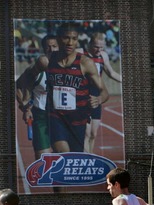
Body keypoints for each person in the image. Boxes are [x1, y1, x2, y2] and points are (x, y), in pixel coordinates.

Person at [45, 22, 109, 153]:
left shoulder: (85, 63)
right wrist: (25, 99)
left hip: (78, 120)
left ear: (77, 41)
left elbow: (105, 92)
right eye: (66, 38)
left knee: (75, 157)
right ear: (58, 38)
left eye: (74, 39)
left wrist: (98, 99)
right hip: (56, 117)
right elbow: (26, 78)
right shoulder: (48, 60)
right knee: (64, 153)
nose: (70, 42)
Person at [15, 34, 59, 160]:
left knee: (62, 155)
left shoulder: (66, 68)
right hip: (41, 116)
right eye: (48, 47)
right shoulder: (35, 70)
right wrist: (25, 108)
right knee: (43, 158)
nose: (51, 50)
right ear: (43, 49)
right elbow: (18, 85)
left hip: (60, 117)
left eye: (54, 46)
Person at [83, 32, 122, 153]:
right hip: (83, 95)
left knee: (94, 133)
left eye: (101, 47)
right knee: (86, 133)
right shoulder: (81, 54)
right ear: (90, 44)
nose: (99, 50)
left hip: (96, 95)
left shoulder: (103, 56)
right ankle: (85, 158)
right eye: (96, 47)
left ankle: (90, 155)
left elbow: (111, 73)